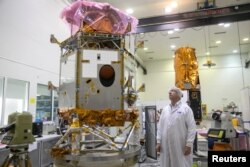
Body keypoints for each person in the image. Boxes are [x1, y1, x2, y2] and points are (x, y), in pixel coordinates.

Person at [156, 87, 196, 167]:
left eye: (173, 91)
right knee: (166, 163)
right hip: (165, 145)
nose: (170, 92)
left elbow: (192, 128)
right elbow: (160, 126)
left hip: (180, 145)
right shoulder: (165, 109)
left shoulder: (186, 109)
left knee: (181, 163)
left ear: (179, 95)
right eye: (169, 91)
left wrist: (189, 144)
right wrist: (158, 141)